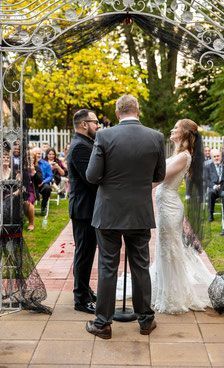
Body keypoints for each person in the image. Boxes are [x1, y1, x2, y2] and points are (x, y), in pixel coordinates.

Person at [85, 94, 166, 340]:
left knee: (107, 267)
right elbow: (160, 174)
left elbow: (91, 175)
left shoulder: (104, 136)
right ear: (137, 110)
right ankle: (146, 321)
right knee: (140, 266)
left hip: (109, 211)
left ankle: (102, 324)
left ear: (118, 112)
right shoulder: (156, 137)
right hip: (139, 211)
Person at [151, 119, 213, 314]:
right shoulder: (178, 154)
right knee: (165, 248)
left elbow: (159, 177)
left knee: (170, 250)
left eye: (176, 127)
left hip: (170, 208)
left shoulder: (183, 157)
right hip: (165, 206)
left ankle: (173, 297)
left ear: (185, 133)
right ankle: (165, 289)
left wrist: (137, 186)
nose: (172, 129)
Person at [67, 109, 100, 314]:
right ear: (84, 124)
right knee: (84, 254)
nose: (98, 126)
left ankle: (85, 290)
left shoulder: (85, 143)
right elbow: (91, 179)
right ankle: (80, 299)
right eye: (95, 122)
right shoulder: (80, 146)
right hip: (84, 209)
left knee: (85, 252)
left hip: (86, 207)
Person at [205, 148, 224, 235]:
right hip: (213, 187)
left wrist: (221, 186)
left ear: (221, 156)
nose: (216, 158)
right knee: (210, 193)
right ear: (211, 157)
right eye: (214, 156)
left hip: (223, 188)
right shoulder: (208, 166)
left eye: (218, 156)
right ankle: (211, 213)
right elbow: (206, 180)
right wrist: (214, 186)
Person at [31, 147, 53, 215]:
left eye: (39, 153)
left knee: (47, 188)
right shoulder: (30, 164)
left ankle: (43, 206)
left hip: (42, 183)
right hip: (32, 184)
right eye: (36, 153)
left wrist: (43, 182)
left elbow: (50, 176)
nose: (38, 155)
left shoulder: (46, 164)